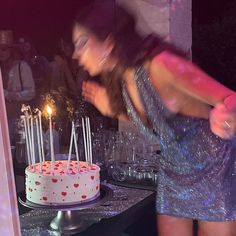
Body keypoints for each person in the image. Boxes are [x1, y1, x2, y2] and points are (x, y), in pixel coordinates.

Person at [71, 2, 236, 236]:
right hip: (173, 168)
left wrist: (225, 114)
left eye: (82, 43)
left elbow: (230, 97)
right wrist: (114, 111)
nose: (75, 54)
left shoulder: (161, 65)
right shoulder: (124, 79)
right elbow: (157, 120)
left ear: (108, 43)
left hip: (214, 166)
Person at [0, 30, 35, 145]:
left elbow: (31, 92)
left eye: (4, 49)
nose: (1, 52)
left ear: (11, 50)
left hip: (20, 120)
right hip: (3, 122)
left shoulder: (22, 67)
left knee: (22, 153)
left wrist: (8, 94)